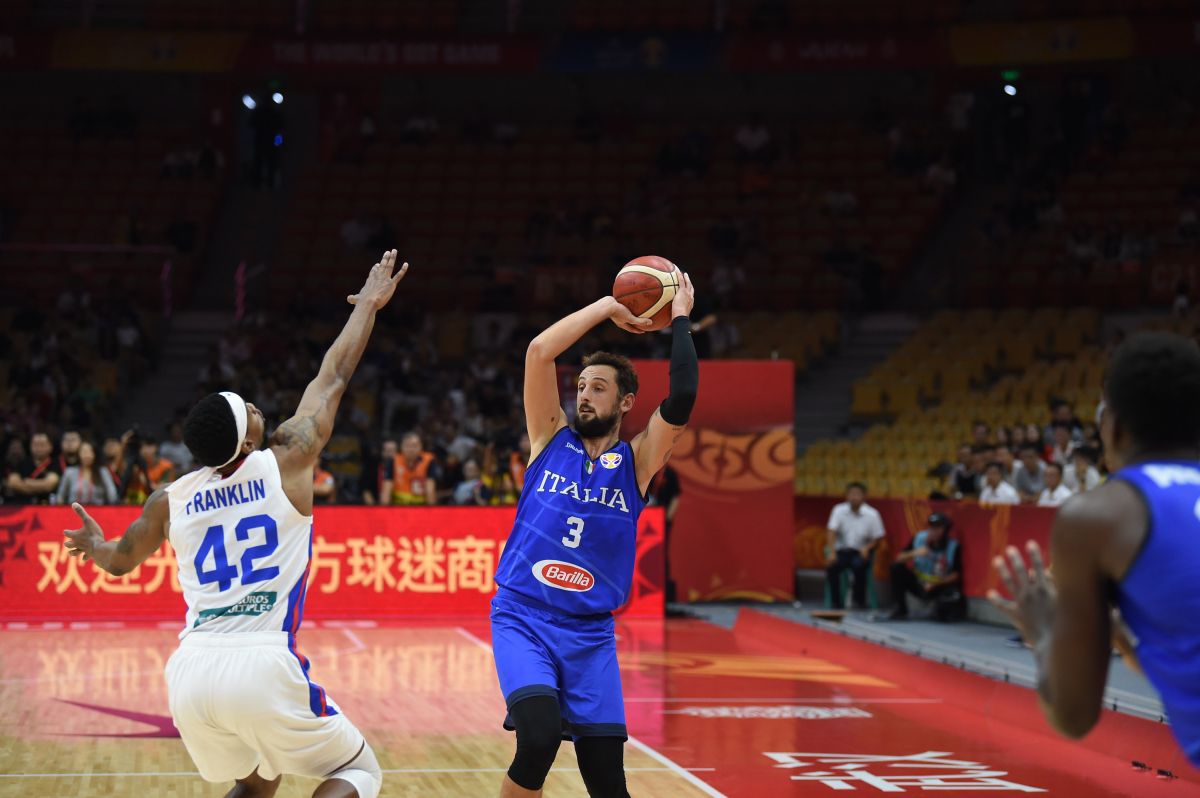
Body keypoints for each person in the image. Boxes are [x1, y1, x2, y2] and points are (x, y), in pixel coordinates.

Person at [62, 250, 408, 798]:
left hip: (191, 672)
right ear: (246, 441)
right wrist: (367, 305)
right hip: (262, 661)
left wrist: (96, 543)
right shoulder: (287, 459)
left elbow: (120, 561)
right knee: (359, 773)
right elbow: (334, 375)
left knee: (259, 783)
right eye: (248, 407)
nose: (257, 407)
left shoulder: (169, 499)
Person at [490, 272, 697, 798]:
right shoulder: (549, 439)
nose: (584, 395)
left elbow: (683, 396)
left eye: (598, 388)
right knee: (537, 740)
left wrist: (679, 317)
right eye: (581, 386)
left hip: (590, 634)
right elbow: (539, 352)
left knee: (608, 784)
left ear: (626, 403)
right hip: (524, 617)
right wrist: (607, 305)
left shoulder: (637, 462)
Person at [991, 332, 1200, 767]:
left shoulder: (1101, 515)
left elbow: (1073, 716)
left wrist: (1042, 632)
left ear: (1114, 427)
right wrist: (1123, 637)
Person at [888, 512, 963, 621]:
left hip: (938, 585)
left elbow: (956, 575)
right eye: (931, 527)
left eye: (938, 528)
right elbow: (899, 558)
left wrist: (936, 583)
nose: (934, 531)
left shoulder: (953, 546)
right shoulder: (919, 538)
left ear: (945, 529)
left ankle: (940, 611)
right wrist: (914, 553)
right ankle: (900, 609)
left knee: (951, 599)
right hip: (919, 582)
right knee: (896, 568)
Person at [824, 482, 885, 610]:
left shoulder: (872, 514)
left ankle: (859, 601)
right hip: (842, 551)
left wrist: (867, 548)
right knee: (832, 567)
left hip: (861, 551)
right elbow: (831, 531)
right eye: (851, 494)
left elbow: (878, 537)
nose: (854, 497)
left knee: (859, 566)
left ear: (864, 496)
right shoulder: (838, 510)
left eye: (857, 494)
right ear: (846, 495)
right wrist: (831, 552)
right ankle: (836, 602)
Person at [380, 432, 437, 505]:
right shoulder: (393, 461)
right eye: (407, 446)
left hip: (420, 507)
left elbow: (430, 491)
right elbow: (386, 490)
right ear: (401, 447)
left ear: (421, 447)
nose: (411, 449)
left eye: (414, 446)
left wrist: (431, 511)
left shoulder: (428, 461)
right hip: (398, 507)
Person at [4, 432, 61, 505]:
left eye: (42, 445)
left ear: (50, 447)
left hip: (48, 505)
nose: (38, 448)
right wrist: (40, 485)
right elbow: (13, 482)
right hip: (22, 504)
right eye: (35, 444)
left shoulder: (56, 463)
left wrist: (26, 482)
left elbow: (49, 485)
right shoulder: (23, 463)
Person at [56, 441, 118, 505]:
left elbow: (112, 496)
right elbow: (60, 497)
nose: (87, 455)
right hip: (73, 509)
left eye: (90, 452)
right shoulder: (69, 472)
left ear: (94, 454)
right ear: (79, 454)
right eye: (84, 452)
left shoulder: (103, 472)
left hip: (97, 509)